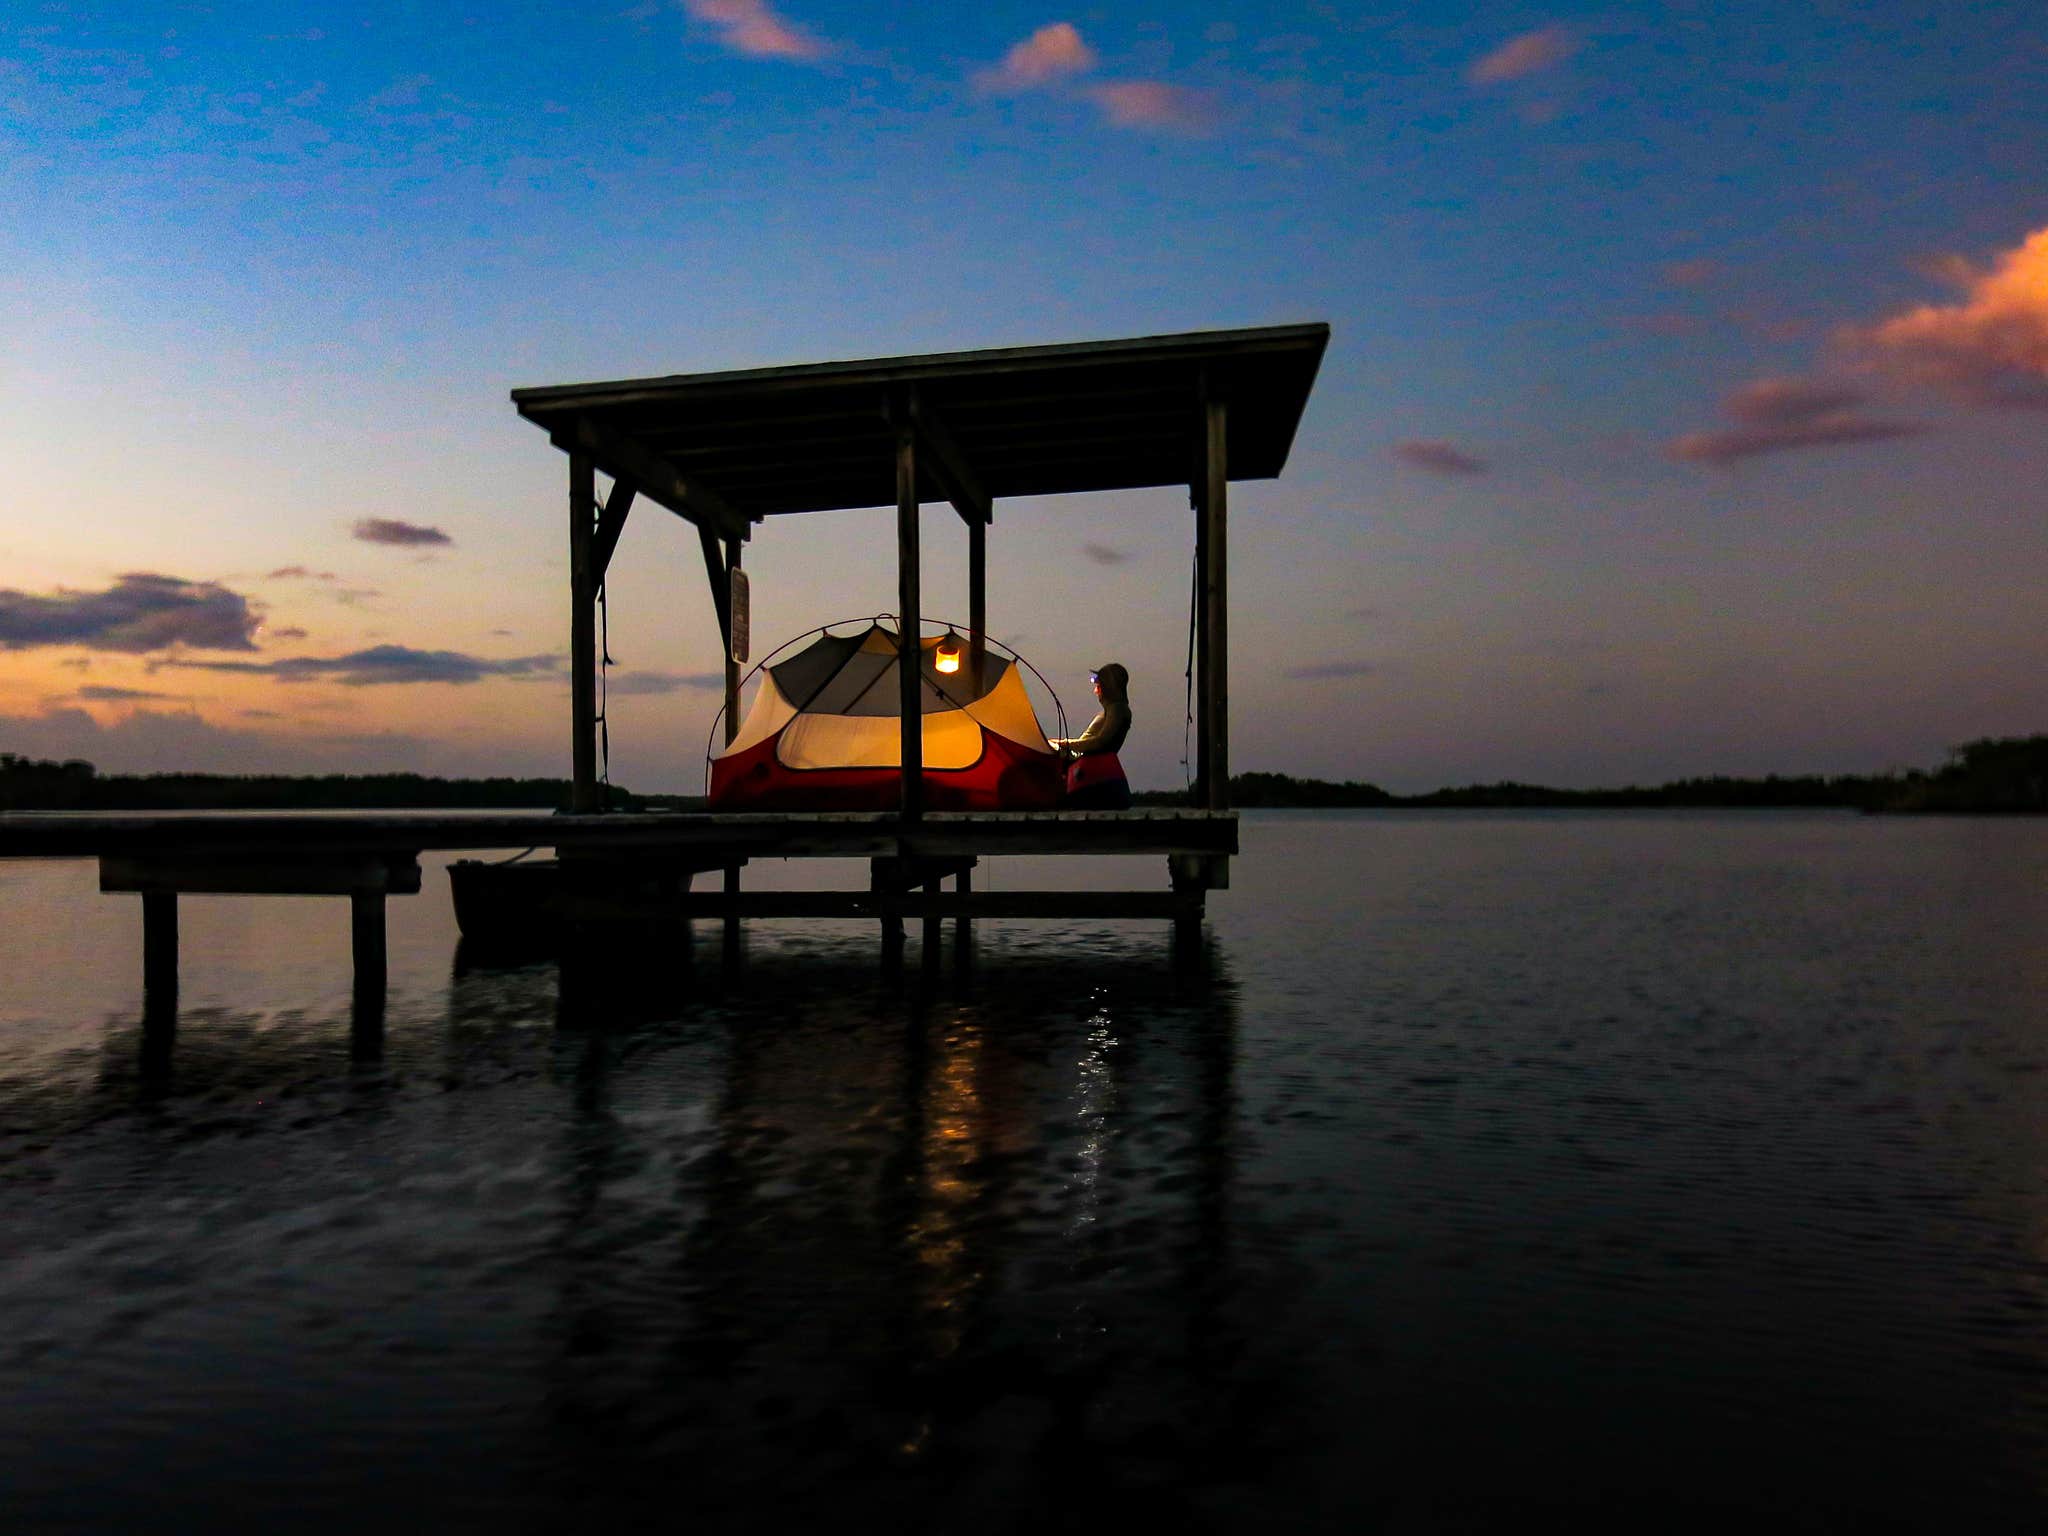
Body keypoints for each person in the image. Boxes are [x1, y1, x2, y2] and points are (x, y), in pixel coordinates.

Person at [1055, 663, 1131, 758]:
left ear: (1108, 687)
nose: (1095, 691)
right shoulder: (1112, 711)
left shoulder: (1117, 710)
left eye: (1099, 686)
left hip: (1084, 762)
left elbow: (1099, 742)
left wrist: (1065, 744)